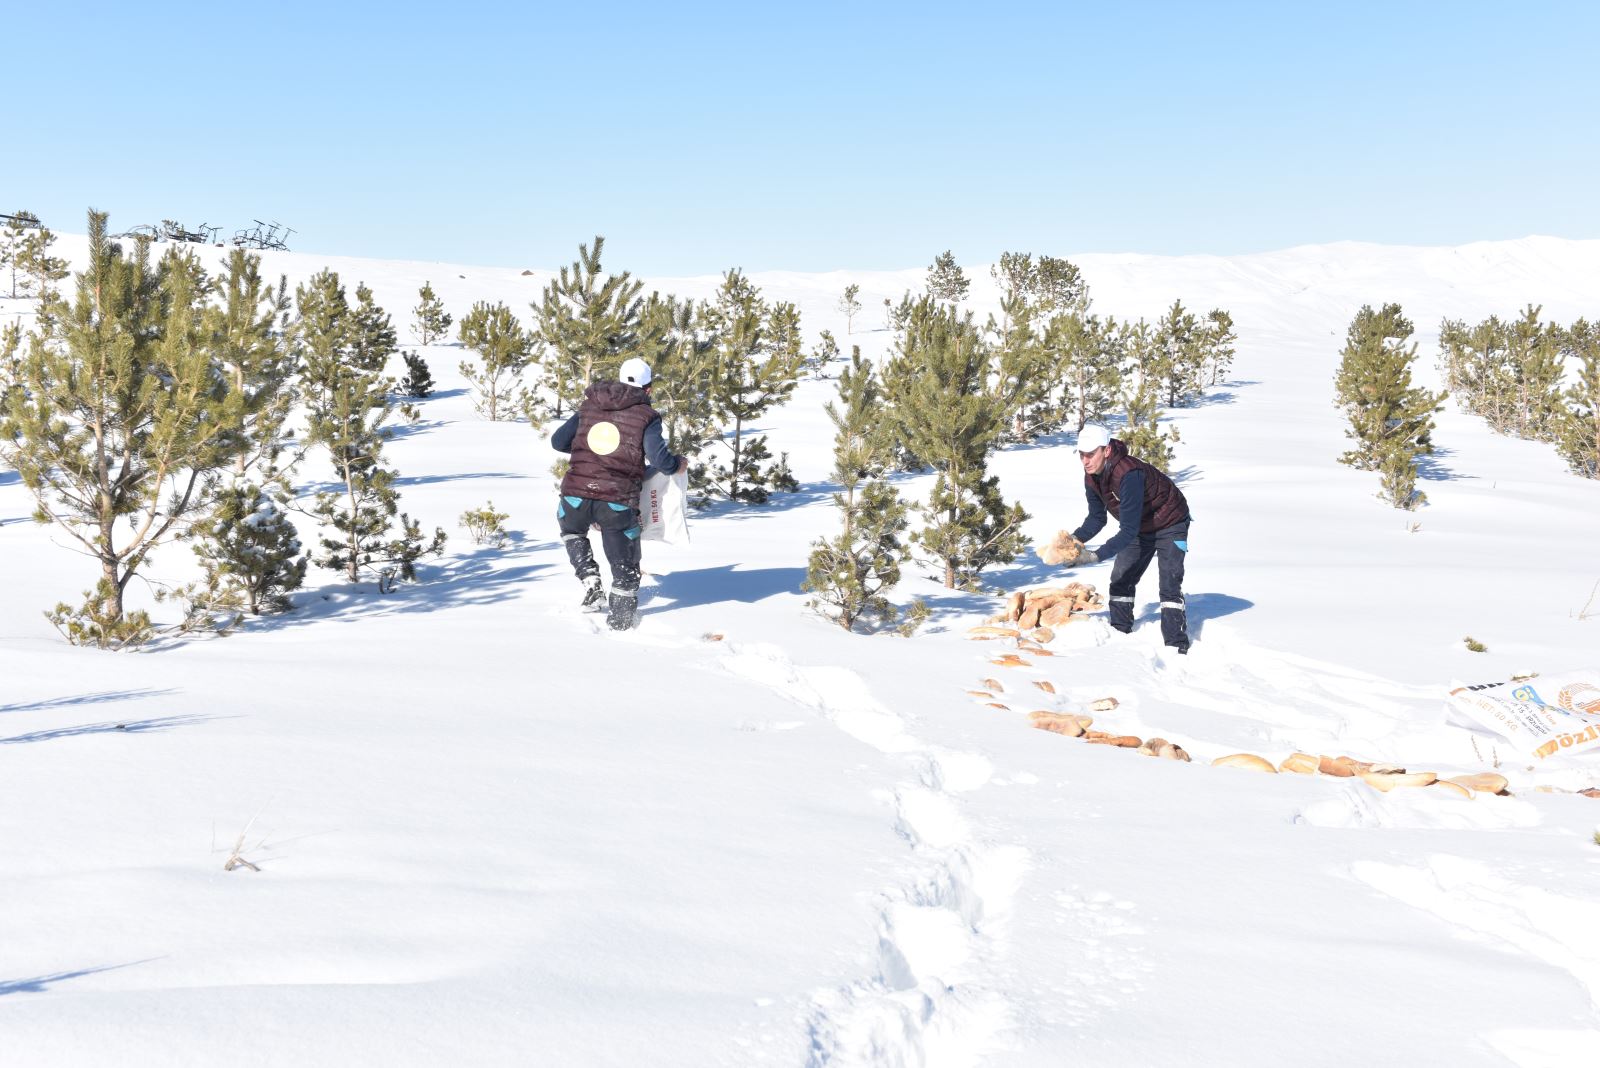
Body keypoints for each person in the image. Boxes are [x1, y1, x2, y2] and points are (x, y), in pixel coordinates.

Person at [551, 357, 687, 631]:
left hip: (575, 496)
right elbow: (659, 460)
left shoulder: (590, 404)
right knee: (624, 565)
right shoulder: (646, 416)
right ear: (648, 388)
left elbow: (558, 441)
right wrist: (677, 463)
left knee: (573, 531)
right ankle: (621, 625)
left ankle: (590, 579)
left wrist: (587, 451)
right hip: (615, 502)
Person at [1067, 424, 1192, 653]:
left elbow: (1128, 530)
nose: (1085, 461)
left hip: (1171, 522)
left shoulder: (1128, 473)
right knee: (1121, 577)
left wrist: (1095, 555)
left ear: (1105, 451)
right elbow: (1097, 519)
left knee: (1169, 583)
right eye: (1081, 455)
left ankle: (1176, 646)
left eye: (1090, 454)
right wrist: (1073, 541)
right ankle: (1119, 633)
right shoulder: (1091, 477)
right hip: (1140, 526)